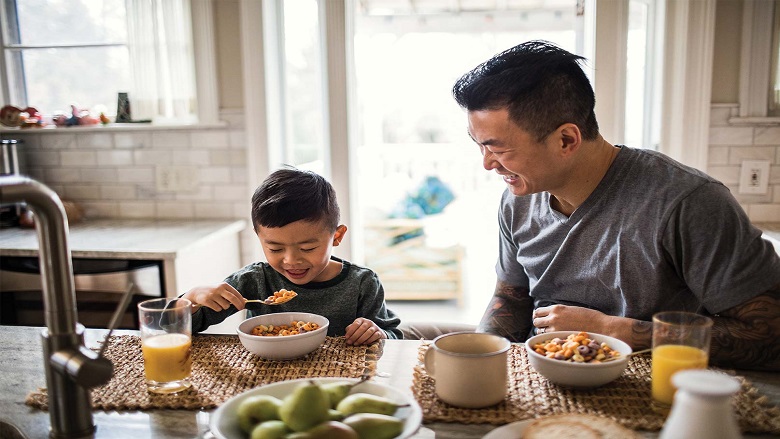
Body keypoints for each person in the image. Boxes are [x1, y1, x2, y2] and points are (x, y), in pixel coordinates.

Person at [447, 40, 780, 370]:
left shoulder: (689, 203)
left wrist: (613, 331)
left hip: (653, 391)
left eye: (499, 149)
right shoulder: (517, 200)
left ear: (566, 140)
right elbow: (510, 300)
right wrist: (478, 359)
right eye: (479, 145)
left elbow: (769, 336)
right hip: (539, 383)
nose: (488, 164)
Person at [182, 167, 402, 345]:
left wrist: (377, 334)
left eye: (307, 248)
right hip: (265, 377)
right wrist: (190, 298)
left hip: (341, 378)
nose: (291, 260)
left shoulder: (362, 283)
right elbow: (171, 330)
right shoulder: (254, 281)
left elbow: (394, 339)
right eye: (275, 249)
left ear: (337, 236)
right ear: (259, 238)